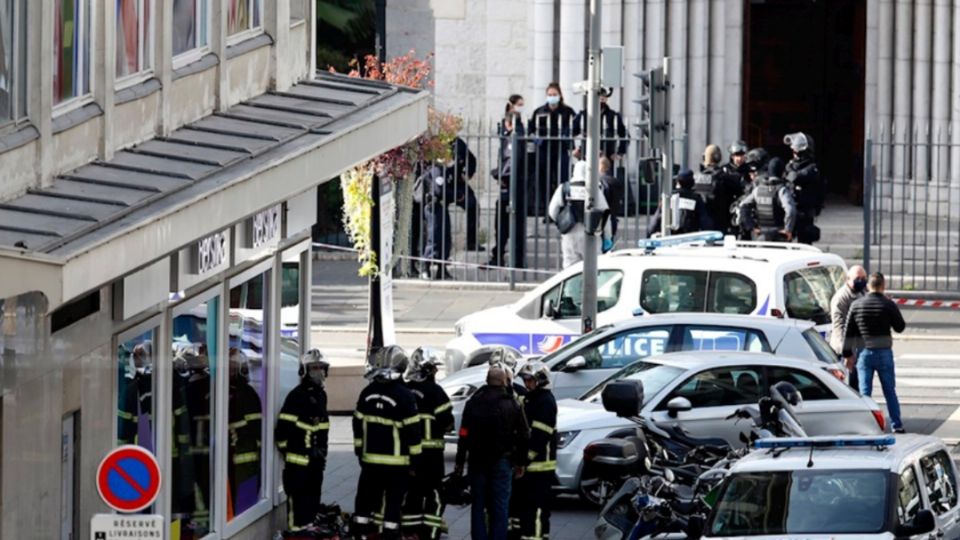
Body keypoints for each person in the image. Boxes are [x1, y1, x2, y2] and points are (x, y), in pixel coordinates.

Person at [353, 346, 422, 539]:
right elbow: (413, 433)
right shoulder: (405, 396)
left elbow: (357, 426)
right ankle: (390, 535)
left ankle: (360, 534)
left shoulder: (366, 393)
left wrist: (359, 451)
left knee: (365, 502)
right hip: (397, 465)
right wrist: (415, 461)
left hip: (369, 463)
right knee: (393, 504)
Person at [454, 365, 530, 540]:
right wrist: (521, 462)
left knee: (478, 505)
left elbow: (464, 433)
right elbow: (524, 434)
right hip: (502, 461)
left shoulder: (473, 402)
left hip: (477, 461)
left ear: (487, 381)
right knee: (500, 506)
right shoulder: (512, 403)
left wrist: (459, 462)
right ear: (504, 381)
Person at [843, 273, 907, 433]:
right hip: (884, 352)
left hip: (864, 353)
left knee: (865, 393)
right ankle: (896, 425)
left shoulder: (857, 305)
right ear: (883, 285)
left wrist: (847, 354)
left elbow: (848, 331)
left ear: (868, 286)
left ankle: (867, 426)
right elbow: (900, 327)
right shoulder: (888, 304)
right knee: (889, 391)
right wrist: (890, 306)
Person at [402, 347, 455, 540]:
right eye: (433, 368)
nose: (436, 372)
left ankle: (410, 534)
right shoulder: (436, 392)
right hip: (432, 458)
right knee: (435, 496)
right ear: (425, 369)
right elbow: (448, 423)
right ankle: (430, 534)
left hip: (408, 456)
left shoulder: (404, 391)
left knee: (412, 496)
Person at [275, 349, 331, 532]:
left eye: (321, 368)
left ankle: (308, 529)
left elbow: (321, 428)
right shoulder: (297, 396)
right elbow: (282, 431)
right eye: (314, 368)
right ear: (304, 370)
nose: (319, 372)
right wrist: (290, 453)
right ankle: (295, 534)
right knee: (298, 506)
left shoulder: (321, 395)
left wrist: (321, 452)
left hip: (315, 462)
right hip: (298, 463)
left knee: (312, 501)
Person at [420, 137, 481, 280]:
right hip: (434, 206)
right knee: (434, 238)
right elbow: (439, 190)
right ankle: (425, 267)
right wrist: (457, 196)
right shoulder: (437, 169)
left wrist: (466, 175)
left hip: (443, 204)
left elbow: (470, 158)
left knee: (445, 239)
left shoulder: (455, 149)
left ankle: (442, 269)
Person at [509, 361, 557, 540]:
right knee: (525, 509)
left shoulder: (545, 402)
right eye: (525, 380)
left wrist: (523, 460)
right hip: (530, 467)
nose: (527, 384)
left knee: (537, 510)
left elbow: (539, 438)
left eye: (530, 380)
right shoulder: (532, 399)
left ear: (541, 380)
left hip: (540, 467)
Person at [547, 160, 613, 268]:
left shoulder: (564, 188)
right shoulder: (594, 190)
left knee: (570, 268)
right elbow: (605, 214)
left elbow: (552, 211)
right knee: (593, 267)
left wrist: (562, 222)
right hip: (590, 233)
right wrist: (607, 237)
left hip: (569, 234)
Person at [528, 83, 577, 216]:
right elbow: (530, 130)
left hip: (561, 149)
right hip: (544, 149)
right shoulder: (539, 112)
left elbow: (577, 128)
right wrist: (535, 138)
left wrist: (571, 143)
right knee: (545, 180)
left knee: (563, 179)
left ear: (560, 95)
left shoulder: (568, 112)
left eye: (554, 95)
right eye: (550, 95)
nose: (552, 97)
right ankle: (547, 211)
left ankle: (563, 210)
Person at [490, 96, 528, 268]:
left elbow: (511, 163)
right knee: (510, 224)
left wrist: (498, 174)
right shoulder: (515, 137)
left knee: (505, 224)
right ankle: (509, 257)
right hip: (515, 185)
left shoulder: (513, 139)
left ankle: (504, 257)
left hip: (512, 186)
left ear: (508, 124)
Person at [226, 349, 263, 517]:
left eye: (234, 368)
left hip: (243, 462)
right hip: (237, 461)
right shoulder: (233, 393)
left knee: (242, 506)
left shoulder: (244, 394)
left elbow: (254, 430)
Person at [738, 157, 797, 242]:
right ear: (783, 172)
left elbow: (743, 205)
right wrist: (788, 230)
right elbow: (790, 210)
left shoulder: (758, 189)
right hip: (779, 235)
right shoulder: (781, 190)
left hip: (761, 235)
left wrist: (752, 226)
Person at [830, 265, 868, 391]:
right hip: (846, 349)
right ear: (848, 279)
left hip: (858, 346)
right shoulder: (841, 298)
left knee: (858, 384)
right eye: (858, 278)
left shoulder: (862, 292)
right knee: (849, 387)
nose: (861, 281)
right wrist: (847, 353)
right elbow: (838, 326)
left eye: (864, 278)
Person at [646, 169, 714, 237]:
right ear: (692, 183)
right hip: (690, 239)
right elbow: (705, 221)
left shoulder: (669, 197)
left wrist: (649, 234)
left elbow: (656, 220)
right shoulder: (696, 199)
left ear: (677, 182)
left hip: (670, 238)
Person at [784, 132, 823, 244]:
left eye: (797, 152)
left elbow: (795, 177)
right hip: (791, 209)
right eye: (794, 151)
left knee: (805, 242)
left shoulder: (812, 168)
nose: (795, 154)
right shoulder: (790, 165)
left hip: (805, 211)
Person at [695, 144, 742, 234]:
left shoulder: (695, 178)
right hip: (719, 225)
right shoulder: (724, 177)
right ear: (719, 158)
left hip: (699, 226)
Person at [572, 87, 628, 161]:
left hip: (607, 158)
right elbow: (569, 133)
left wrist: (620, 153)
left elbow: (625, 135)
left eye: (604, 94)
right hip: (587, 157)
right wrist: (573, 149)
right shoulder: (583, 115)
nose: (601, 97)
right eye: (599, 94)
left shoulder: (613, 116)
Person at [599, 156, 624, 239]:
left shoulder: (600, 181)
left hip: (602, 219)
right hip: (613, 218)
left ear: (601, 166)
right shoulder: (616, 181)